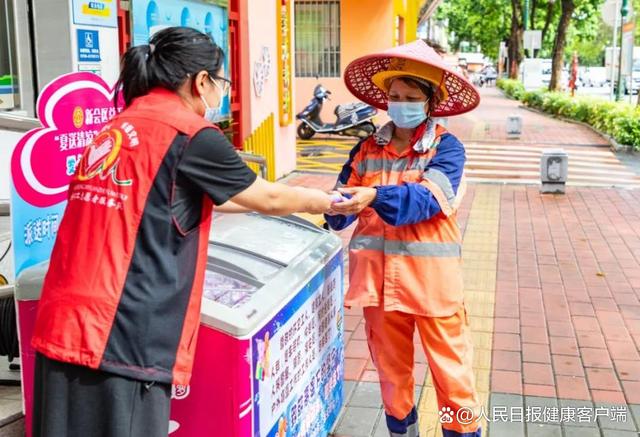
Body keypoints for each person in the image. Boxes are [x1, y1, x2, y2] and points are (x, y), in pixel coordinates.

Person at [30, 27, 332, 437]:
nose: (220, 93)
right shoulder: (190, 133)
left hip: (65, 319)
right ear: (201, 81)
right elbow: (266, 199)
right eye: (221, 81)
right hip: (122, 333)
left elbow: (189, 197)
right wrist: (326, 202)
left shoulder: (119, 125)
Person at [327, 40, 482, 437]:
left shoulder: (448, 149)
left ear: (430, 102)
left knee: (453, 376)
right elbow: (340, 200)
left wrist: (372, 196)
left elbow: (427, 201)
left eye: (411, 97)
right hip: (377, 285)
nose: (401, 104)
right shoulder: (366, 147)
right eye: (394, 96)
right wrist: (331, 206)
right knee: (392, 376)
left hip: (432, 285)